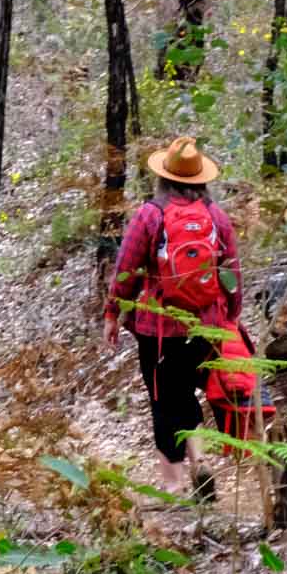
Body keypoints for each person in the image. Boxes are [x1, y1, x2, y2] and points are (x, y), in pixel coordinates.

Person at [101, 136, 243, 499]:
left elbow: (127, 268)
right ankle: (201, 461)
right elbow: (232, 273)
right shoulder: (216, 216)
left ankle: (174, 483)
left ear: (163, 177)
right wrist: (231, 315)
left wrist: (113, 312)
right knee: (187, 395)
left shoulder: (151, 215)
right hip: (206, 324)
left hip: (159, 327)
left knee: (165, 399)